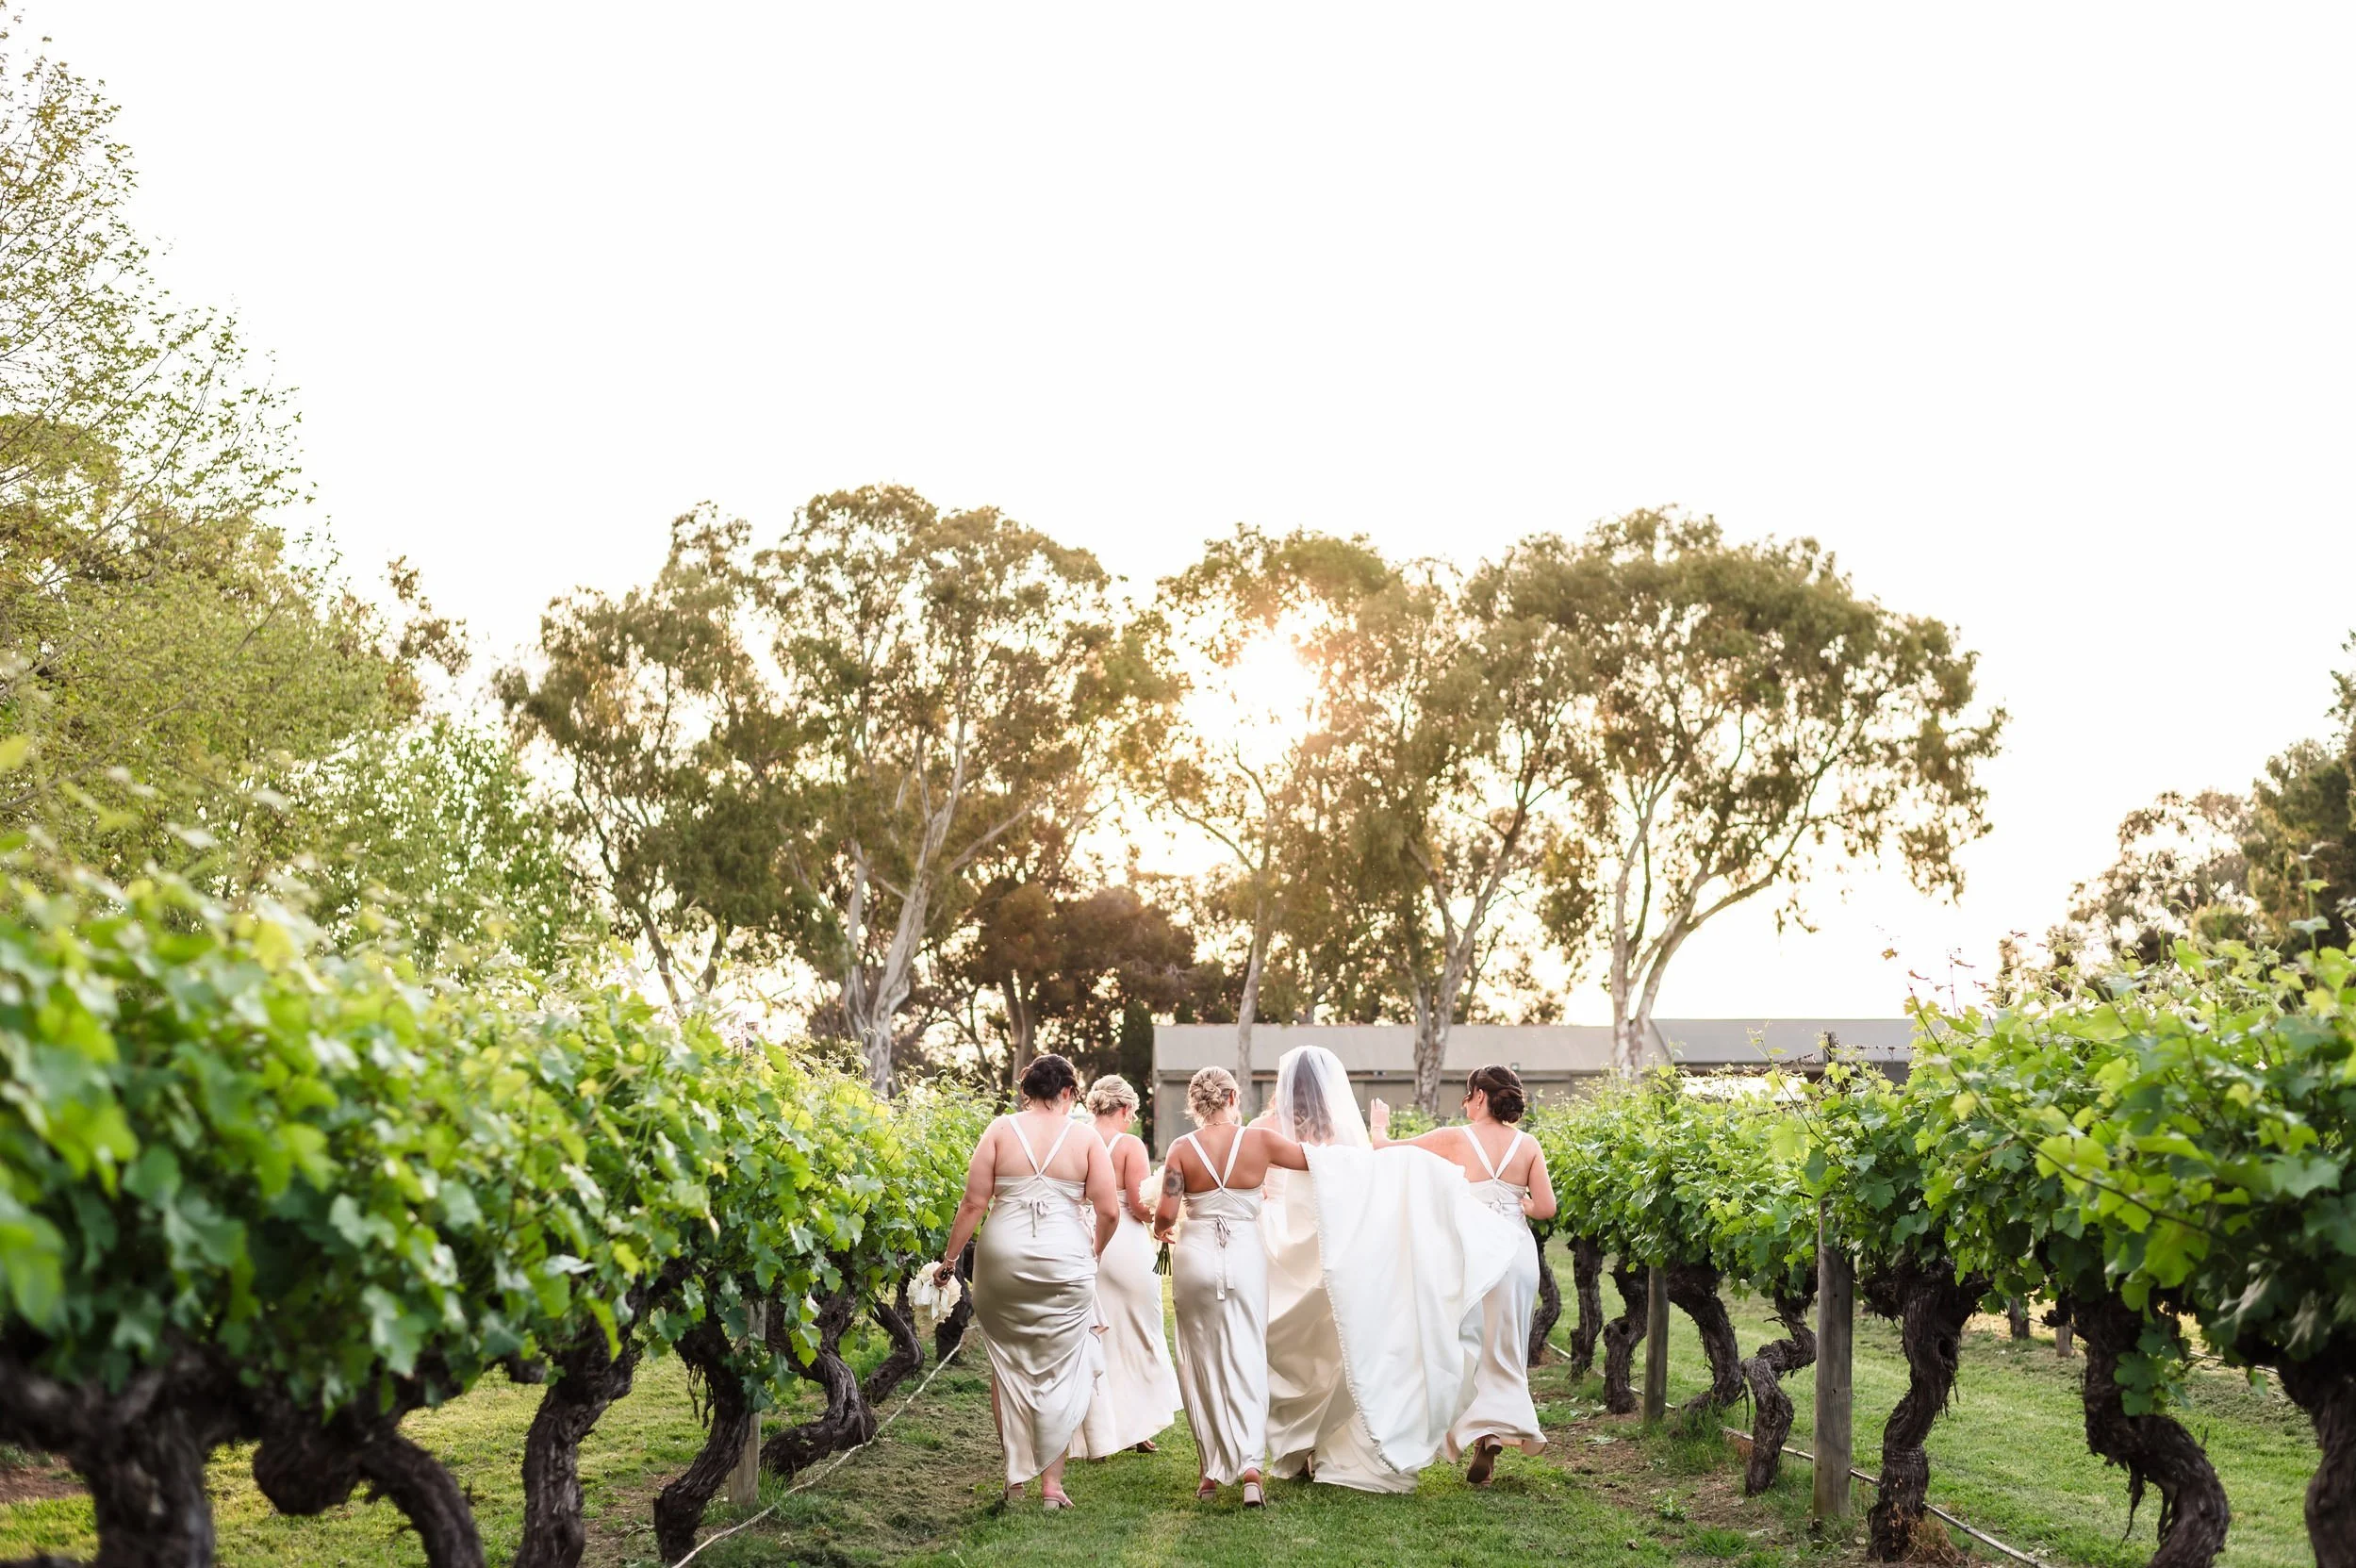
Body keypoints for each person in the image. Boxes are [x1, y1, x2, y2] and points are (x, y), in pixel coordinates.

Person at [935, 1054, 1121, 1509]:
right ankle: (1052, 1485)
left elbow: (973, 1203)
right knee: (1063, 1368)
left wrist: (949, 1260)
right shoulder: (1085, 1138)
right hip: (1066, 1261)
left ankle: (1015, 1477)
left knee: (1008, 1365)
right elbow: (1109, 1211)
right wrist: (1094, 1253)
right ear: (1068, 1092)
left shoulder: (1000, 1130)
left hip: (1003, 1260)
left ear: (1027, 1092)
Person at [1369, 1064, 1557, 1485]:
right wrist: (1523, 1205)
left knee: (1464, 1343)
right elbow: (1546, 1208)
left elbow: (1387, 1151)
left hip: (1473, 1251)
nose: (1465, 1102)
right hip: (1516, 1254)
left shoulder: (1455, 1138)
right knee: (1506, 1346)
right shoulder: (1528, 1145)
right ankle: (1492, 1432)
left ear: (1480, 1096)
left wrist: (1379, 1126)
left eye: (1468, 1094)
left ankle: (1474, 1427)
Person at [1249, 1045, 1410, 1493]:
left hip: (1278, 1238)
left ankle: (1296, 1445)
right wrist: (1379, 1131)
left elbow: (1247, 1183)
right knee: (1330, 1343)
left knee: (1283, 1343)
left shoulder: (1262, 1129)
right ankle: (1324, 1445)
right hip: (1327, 1238)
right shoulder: (1340, 1132)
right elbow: (1367, 1184)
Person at [1152, 1065, 1309, 1507]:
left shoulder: (1181, 1149)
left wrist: (1161, 1230)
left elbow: (1166, 1213)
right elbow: (1313, 1163)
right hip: (1244, 1256)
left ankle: (1209, 1472)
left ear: (1195, 1103)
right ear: (1233, 1098)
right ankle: (1251, 1471)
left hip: (1196, 1257)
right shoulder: (1261, 1141)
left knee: (1201, 1361)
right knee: (1247, 1356)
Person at [1071, 1074, 1180, 1461]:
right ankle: (1137, 1428)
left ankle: (1096, 1436)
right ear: (1125, 1108)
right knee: (1139, 1332)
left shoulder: (1075, 1137)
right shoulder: (1129, 1144)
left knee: (1093, 1337)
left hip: (1085, 1243)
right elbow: (1137, 1205)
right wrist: (1166, 1218)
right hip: (1124, 1246)